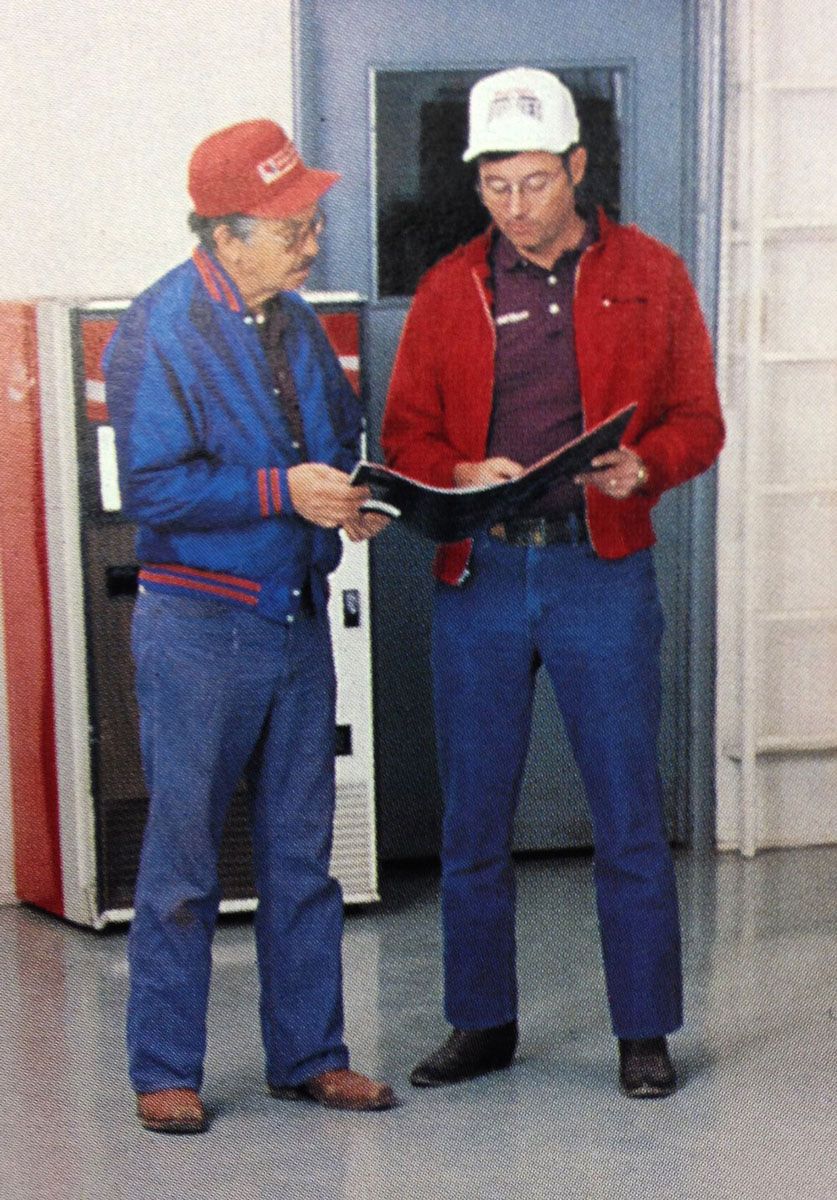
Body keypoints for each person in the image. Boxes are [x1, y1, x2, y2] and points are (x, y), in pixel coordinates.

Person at [381, 67, 724, 1098]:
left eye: (534, 182)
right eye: (495, 186)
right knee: (472, 816)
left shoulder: (653, 274)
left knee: (625, 809)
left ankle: (642, 1031)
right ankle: (481, 1022)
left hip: (599, 572)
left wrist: (646, 465)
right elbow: (406, 433)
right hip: (481, 573)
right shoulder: (451, 288)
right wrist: (455, 472)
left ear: (578, 167)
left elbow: (699, 419)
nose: (516, 207)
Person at [105, 119, 394, 1133]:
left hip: (293, 623)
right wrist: (286, 489)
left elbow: (342, 440)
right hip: (201, 629)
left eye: (312, 222)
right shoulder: (157, 327)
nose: (312, 242)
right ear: (226, 236)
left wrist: (353, 499)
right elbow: (151, 484)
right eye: (292, 226)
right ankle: (163, 1070)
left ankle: (311, 1056)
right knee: (184, 861)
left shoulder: (298, 321)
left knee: (300, 856)